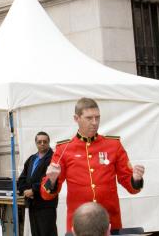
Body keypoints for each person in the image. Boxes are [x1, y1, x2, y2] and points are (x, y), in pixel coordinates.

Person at [41, 98, 144, 233]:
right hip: (79, 225)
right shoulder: (64, 149)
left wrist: (136, 179)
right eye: (89, 118)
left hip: (109, 222)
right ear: (76, 118)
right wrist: (52, 179)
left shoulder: (113, 145)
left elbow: (131, 187)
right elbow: (46, 195)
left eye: (97, 118)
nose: (94, 122)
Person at [17, 131, 57, 236]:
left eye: (45, 141)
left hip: (46, 204)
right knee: (36, 233)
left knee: (47, 232)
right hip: (32, 203)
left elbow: (49, 179)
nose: (42, 144)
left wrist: (33, 190)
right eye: (39, 142)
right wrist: (24, 190)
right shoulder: (31, 159)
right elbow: (22, 178)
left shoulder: (53, 159)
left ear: (49, 142)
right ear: (36, 143)